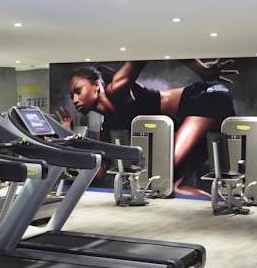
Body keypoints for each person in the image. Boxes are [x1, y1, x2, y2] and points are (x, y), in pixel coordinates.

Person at [56, 59, 237, 197]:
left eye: (78, 91)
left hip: (207, 98)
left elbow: (148, 46)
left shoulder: (117, 88)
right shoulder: (109, 125)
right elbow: (99, 174)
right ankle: (218, 210)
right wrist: (68, 136)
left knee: (164, 176)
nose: (75, 100)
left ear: (96, 85)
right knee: (169, 186)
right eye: (71, 96)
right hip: (192, 115)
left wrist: (202, 70)